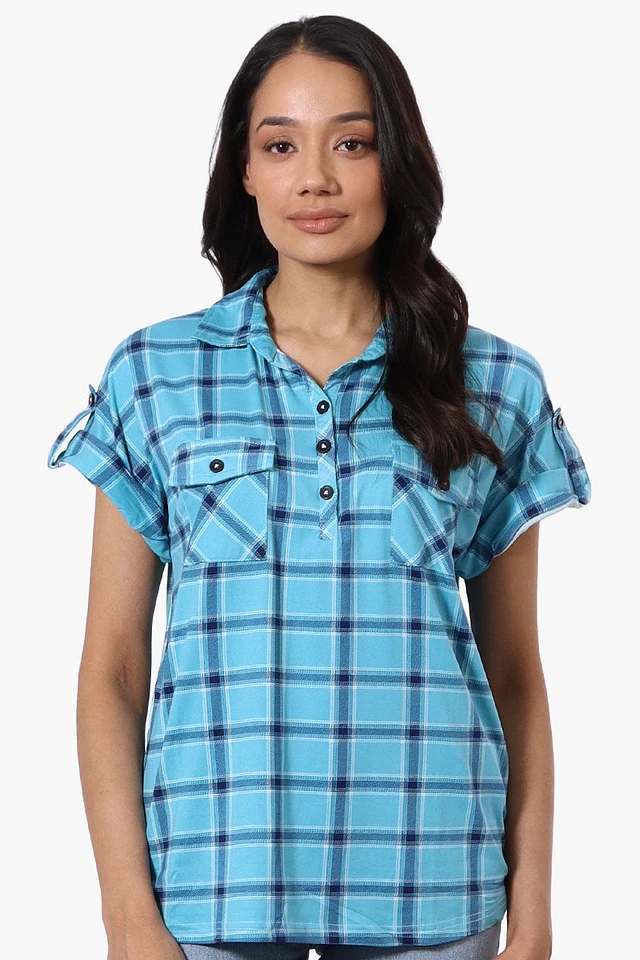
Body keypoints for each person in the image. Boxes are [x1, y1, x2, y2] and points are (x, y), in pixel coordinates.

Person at [46, 14, 591, 960]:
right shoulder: (156, 375)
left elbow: (516, 675)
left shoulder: (495, 383)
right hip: (209, 895)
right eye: (280, 145)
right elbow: (113, 669)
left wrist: (535, 918)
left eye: (352, 142)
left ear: (398, 160)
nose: (315, 179)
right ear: (245, 171)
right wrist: (126, 915)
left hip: (433, 889)